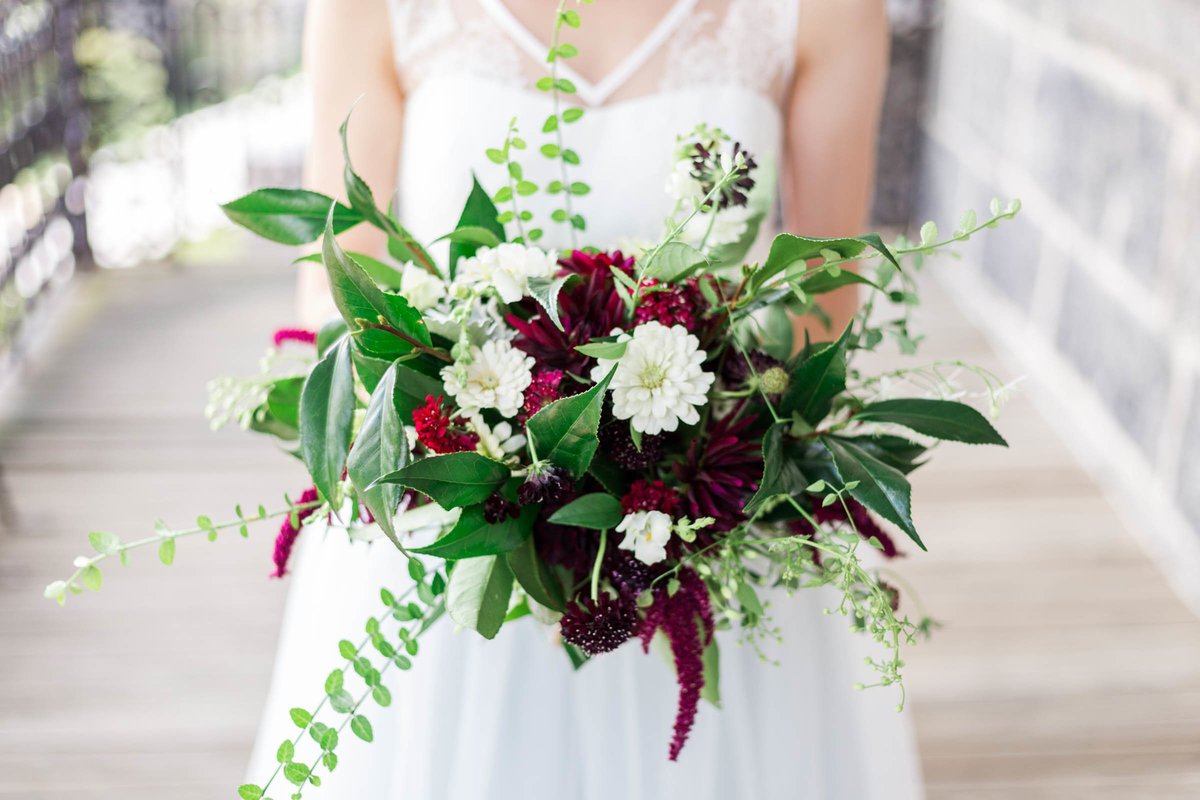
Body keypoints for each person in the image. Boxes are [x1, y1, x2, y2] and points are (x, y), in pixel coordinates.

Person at [251, 1, 924, 797]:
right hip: (456, 529)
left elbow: (818, 316)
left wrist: (658, 474)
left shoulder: (826, 12)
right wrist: (491, 457)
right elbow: (337, 296)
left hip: (703, 535)